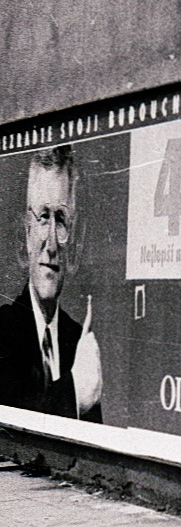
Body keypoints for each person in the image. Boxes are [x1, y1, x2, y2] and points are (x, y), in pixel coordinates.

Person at [0, 147, 103, 421]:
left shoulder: (77, 340)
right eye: (43, 217)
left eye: (61, 220)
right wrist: (73, 395)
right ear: (26, 232)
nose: (52, 245)